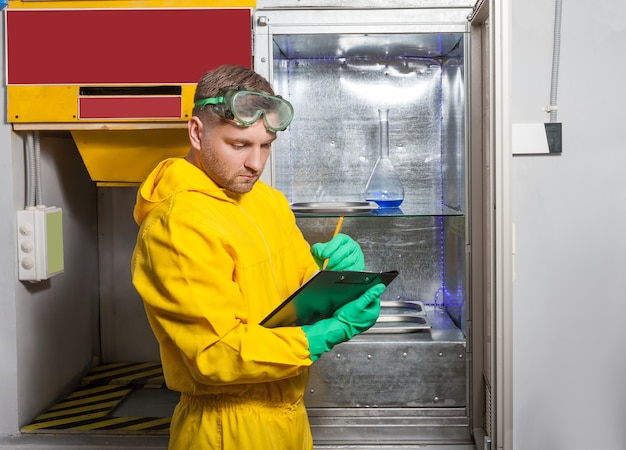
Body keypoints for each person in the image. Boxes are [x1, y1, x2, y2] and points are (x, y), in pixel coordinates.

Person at [131, 64, 386, 450]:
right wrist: (331, 332)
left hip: (290, 419)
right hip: (225, 430)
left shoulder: (267, 201)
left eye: (265, 145)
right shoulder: (177, 224)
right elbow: (217, 354)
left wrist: (332, 277)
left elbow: (292, 296)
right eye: (239, 145)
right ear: (197, 133)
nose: (256, 163)